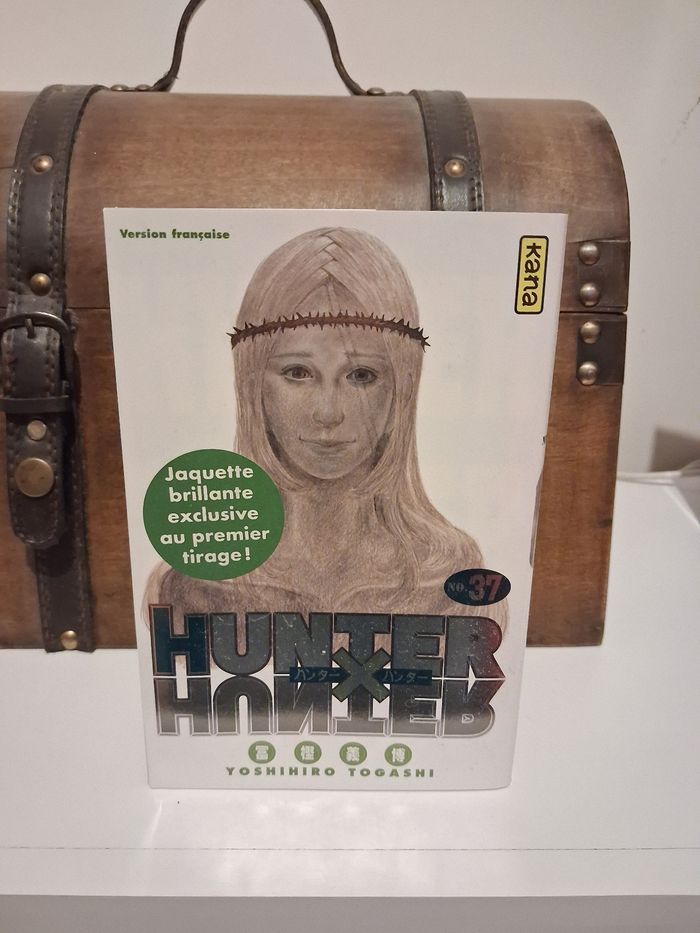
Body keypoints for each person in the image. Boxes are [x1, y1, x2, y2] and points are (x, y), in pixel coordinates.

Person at [152, 227, 504, 629]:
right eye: (298, 372)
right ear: (251, 383)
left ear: (402, 389)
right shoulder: (194, 580)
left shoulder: (454, 576)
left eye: (361, 375)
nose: (328, 412)